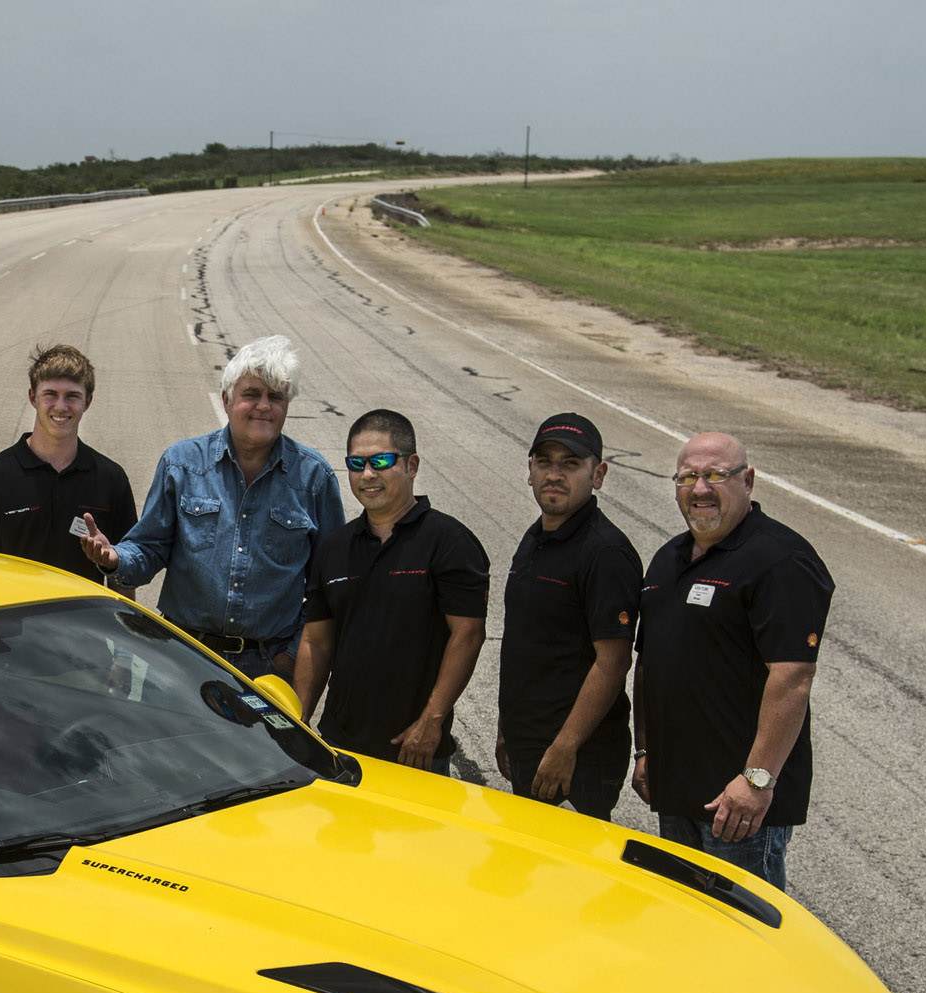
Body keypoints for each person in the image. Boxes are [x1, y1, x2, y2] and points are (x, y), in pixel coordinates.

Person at [632, 432, 833, 891]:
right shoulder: (669, 559)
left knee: (743, 941)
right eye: (688, 477)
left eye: (717, 475)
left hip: (738, 809)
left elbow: (793, 676)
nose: (700, 489)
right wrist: (645, 751)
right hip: (677, 792)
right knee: (687, 927)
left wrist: (757, 781)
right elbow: (651, 663)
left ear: (749, 481)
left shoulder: (781, 560)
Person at [79, 335, 345, 679]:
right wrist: (115, 559)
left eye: (275, 397)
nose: (264, 406)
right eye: (251, 394)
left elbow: (328, 585)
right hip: (183, 657)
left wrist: (290, 657)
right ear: (227, 399)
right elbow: (150, 546)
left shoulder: (314, 477)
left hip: (267, 667)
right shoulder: (182, 463)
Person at [291, 410, 488, 773]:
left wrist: (431, 722)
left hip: (416, 749)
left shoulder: (450, 542)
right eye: (356, 463)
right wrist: (299, 721)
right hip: (340, 745)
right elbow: (316, 641)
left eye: (381, 460)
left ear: (411, 465)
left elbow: (468, 635)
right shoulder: (333, 548)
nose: (368, 474)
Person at [495, 412, 644, 816]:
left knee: (571, 874)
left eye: (571, 463)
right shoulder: (536, 538)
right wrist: (506, 727)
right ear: (530, 471)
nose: (555, 474)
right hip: (530, 744)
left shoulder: (606, 553)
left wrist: (565, 747)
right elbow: (525, 640)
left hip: (578, 758)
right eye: (545, 462)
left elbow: (612, 663)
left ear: (599, 475)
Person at [0, 343, 139, 584]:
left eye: (72, 396)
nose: (60, 406)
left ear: (87, 402)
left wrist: (123, 618)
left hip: (84, 619)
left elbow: (125, 575)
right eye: (50, 394)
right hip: (16, 620)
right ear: (33, 397)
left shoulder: (111, 479)